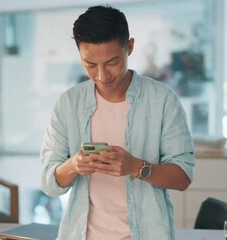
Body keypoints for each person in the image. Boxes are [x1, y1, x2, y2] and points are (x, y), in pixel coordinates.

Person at [40, 5, 195, 240]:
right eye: (90, 65)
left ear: (130, 47)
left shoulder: (162, 100)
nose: (102, 75)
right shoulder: (69, 103)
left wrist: (136, 167)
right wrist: (74, 165)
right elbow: (49, 184)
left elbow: (183, 177)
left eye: (112, 62)